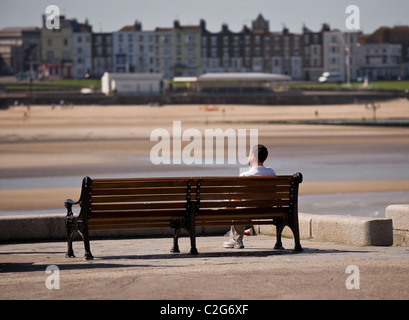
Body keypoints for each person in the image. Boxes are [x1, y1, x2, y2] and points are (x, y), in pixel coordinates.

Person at [223, 144, 276, 249]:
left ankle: (236, 240)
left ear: (253, 156)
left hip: (248, 211)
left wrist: (226, 205)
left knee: (236, 207)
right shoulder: (271, 173)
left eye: (249, 154)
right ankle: (278, 241)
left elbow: (237, 200)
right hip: (269, 210)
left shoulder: (245, 176)